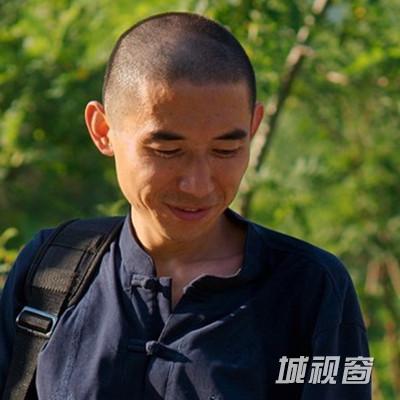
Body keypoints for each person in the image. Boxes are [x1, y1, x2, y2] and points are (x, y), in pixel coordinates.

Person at [0, 12, 371, 400]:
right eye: (167, 151)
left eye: (226, 150)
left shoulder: (312, 289)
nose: (198, 185)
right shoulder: (51, 271)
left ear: (254, 126)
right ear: (103, 130)